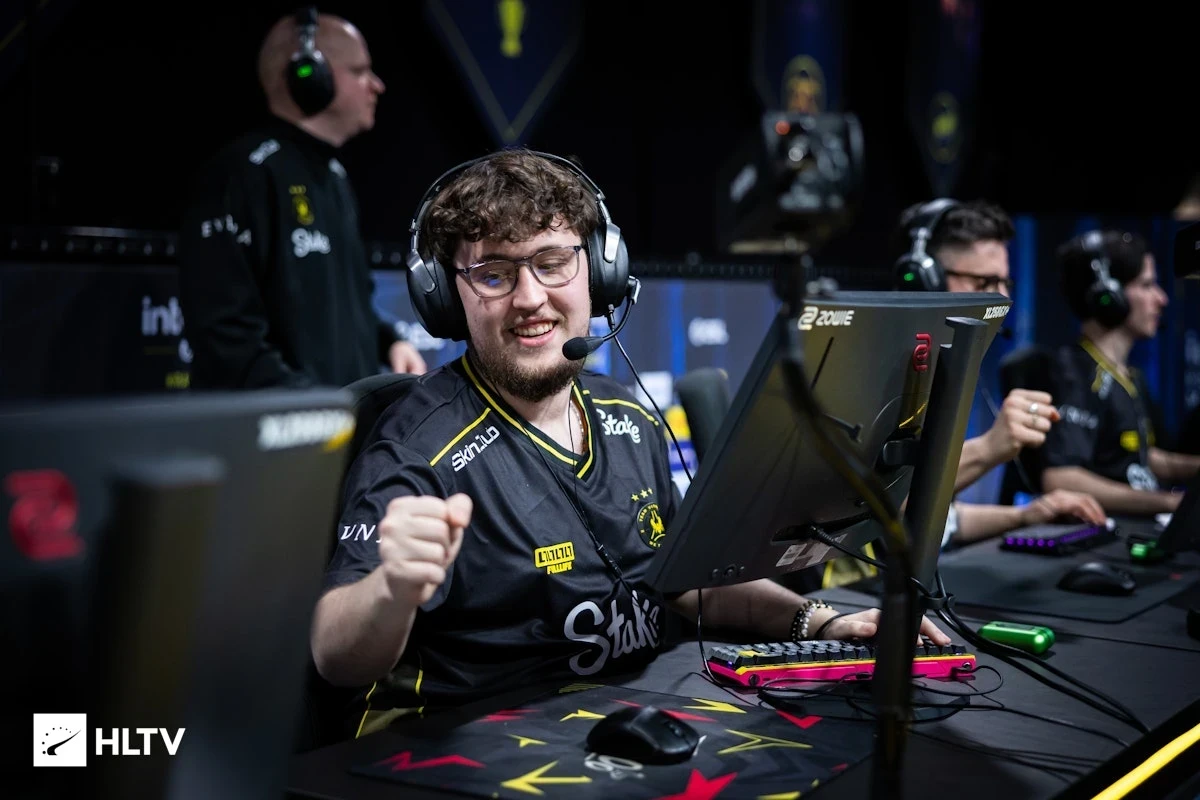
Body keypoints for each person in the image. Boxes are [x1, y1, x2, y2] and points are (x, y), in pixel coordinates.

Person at [309, 149, 950, 737]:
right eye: (494, 275)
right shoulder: (416, 448)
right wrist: (392, 587)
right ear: (447, 297)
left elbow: (686, 584)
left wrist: (821, 623)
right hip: (473, 743)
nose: (530, 298)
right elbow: (335, 654)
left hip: (632, 720)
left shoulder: (626, 413)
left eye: (552, 263)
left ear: (601, 270)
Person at [177, 10, 425, 390]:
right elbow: (226, 337)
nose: (377, 85)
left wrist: (390, 342)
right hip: (280, 424)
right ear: (310, 76)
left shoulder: (334, 176)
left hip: (336, 418)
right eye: (360, 71)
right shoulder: (242, 174)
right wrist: (309, 406)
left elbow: (343, 312)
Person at [891, 199, 1107, 548]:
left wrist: (1026, 515)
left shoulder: (942, 370)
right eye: (986, 282)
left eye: (1005, 283)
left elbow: (939, 522)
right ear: (926, 280)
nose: (1003, 300)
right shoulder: (880, 375)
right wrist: (990, 448)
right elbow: (885, 505)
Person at [1040, 229, 1199, 515]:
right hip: (1112, 530)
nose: (1161, 299)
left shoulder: (1130, 376)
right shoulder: (1074, 372)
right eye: (1147, 285)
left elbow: (1137, 457)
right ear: (1109, 296)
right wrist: (1170, 503)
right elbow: (1060, 478)